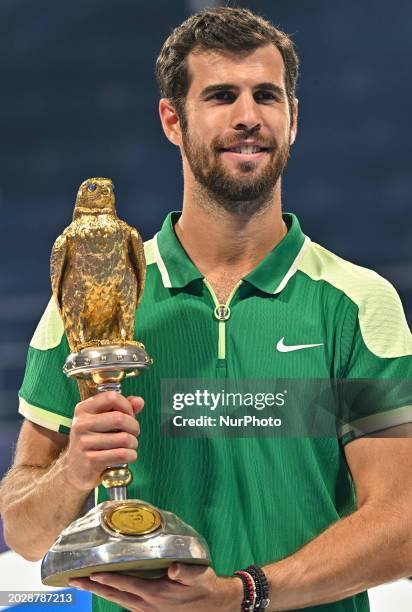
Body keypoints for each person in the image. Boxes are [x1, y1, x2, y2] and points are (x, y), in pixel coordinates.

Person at [1, 6, 412, 612]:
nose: (249, 117)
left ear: (293, 118)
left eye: (267, 96)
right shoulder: (93, 298)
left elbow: (401, 527)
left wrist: (243, 595)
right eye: (222, 96)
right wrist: (73, 474)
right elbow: (25, 535)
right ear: (173, 119)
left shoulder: (357, 302)